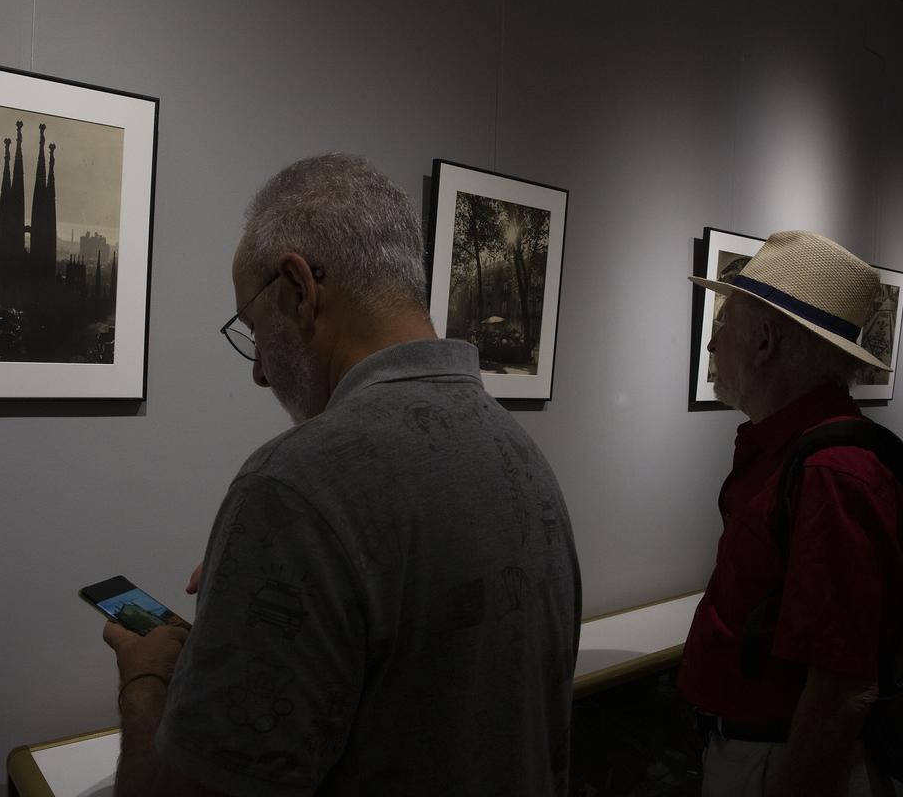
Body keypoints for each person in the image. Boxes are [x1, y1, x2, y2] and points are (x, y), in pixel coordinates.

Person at [102, 153, 582, 796]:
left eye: (253, 330)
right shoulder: (522, 456)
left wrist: (146, 677)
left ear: (299, 289)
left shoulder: (293, 487)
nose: (260, 372)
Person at [679, 230, 903, 796]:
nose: (714, 347)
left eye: (725, 327)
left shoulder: (832, 475)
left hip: (779, 762)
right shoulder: (799, 458)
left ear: (764, 340)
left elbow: (841, 691)